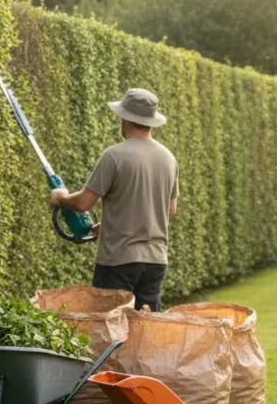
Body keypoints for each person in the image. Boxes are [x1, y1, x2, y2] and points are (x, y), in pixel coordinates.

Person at [48, 88, 179, 312]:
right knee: (145, 331)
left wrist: (61, 197)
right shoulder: (168, 158)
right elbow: (170, 209)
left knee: (109, 331)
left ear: (125, 118)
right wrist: (110, 225)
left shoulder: (114, 156)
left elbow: (83, 204)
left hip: (119, 261)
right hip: (156, 261)